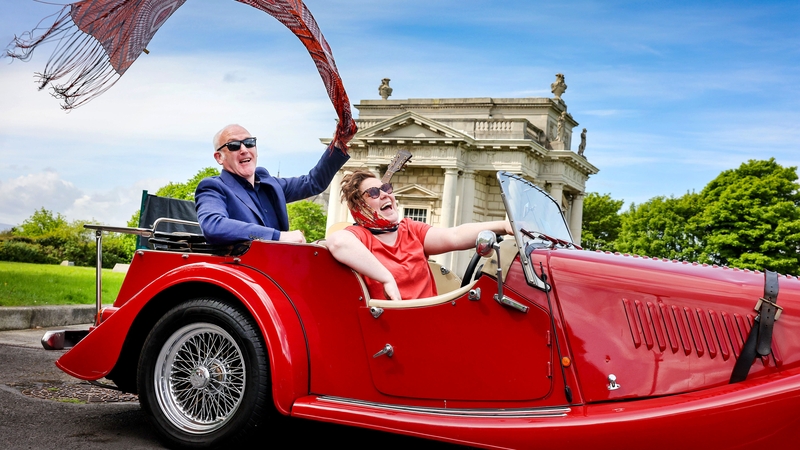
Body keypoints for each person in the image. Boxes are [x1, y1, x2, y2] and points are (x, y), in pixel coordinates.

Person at [324, 170, 512, 301]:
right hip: (391, 330)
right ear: (358, 207)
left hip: (431, 319)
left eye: (387, 188)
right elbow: (337, 241)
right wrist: (386, 278)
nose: (384, 195)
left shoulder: (410, 229)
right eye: (373, 193)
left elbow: (454, 235)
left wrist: (504, 225)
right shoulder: (360, 236)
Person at [195, 124, 349, 245]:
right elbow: (213, 226)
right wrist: (278, 236)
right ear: (219, 157)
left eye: (249, 143)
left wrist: (339, 144)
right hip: (247, 270)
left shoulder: (270, 184)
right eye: (234, 146)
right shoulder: (212, 187)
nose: (244, 149)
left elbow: (313, 183)